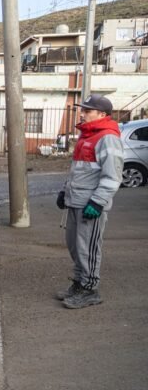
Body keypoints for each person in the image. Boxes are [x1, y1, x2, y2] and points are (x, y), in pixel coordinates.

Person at [56, 94, 124, 309]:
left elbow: (112, 176)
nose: (82, 113)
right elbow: (78, 172)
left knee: (88, 248)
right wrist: (64, 192)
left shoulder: (107, 137)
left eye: (88, 110)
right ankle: (79, 283)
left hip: (90, 205)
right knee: (75, 246)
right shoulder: (87, 136)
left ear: (102, 114)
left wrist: (97, 202)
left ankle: (90, 289)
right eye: (83, 110)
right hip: (76, 201)